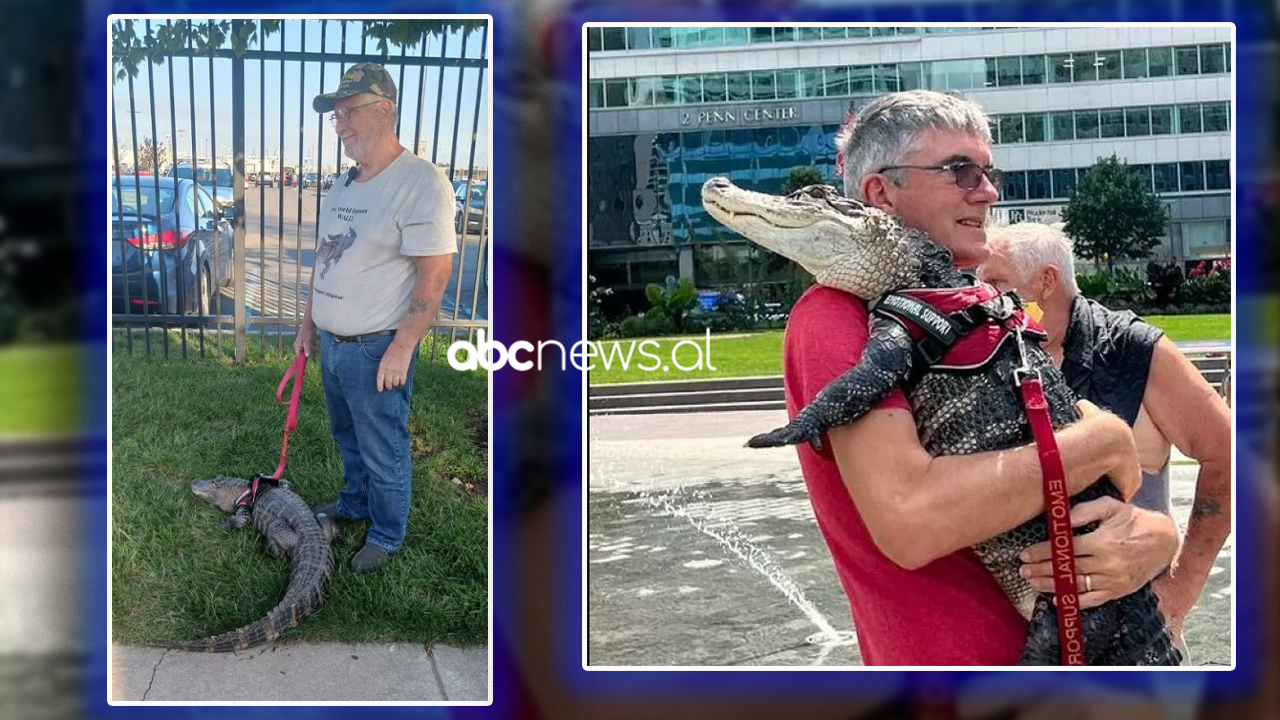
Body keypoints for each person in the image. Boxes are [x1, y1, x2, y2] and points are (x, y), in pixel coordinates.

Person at [782, 90, 1178, 665]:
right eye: (959, 171)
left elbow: (1106, 477)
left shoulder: (980, 304)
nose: (988, 191)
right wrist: (1107, 439)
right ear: (880, 195)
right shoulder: (835, 314)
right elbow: (913, 520)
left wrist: (1153, 538)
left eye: (987, 172)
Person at [978, 223, 1232, 660]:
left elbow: (1229, 453)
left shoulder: (1131, 348)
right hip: (1016, 633)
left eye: (996, 283)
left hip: (1130, 637)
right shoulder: (995, 351)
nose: (981, 296)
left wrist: (1177, 591)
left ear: (1045, 282)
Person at [295, 63, 457, 572]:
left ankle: (386, 535)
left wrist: (403, 347)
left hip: (375, 348)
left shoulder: (421, 182)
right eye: (336, 115)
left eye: (350, 112)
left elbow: (434, 277)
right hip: (332, 343)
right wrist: (308, 322)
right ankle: (354, 503)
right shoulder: (345, 183)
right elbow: (326, 259)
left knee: (383, 446)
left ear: (384, 109)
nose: (340, 124)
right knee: (347, 437)